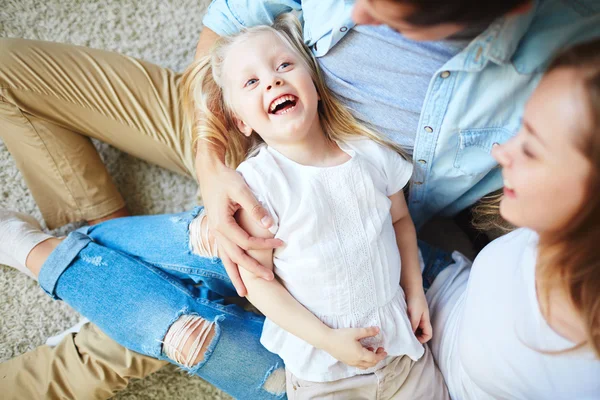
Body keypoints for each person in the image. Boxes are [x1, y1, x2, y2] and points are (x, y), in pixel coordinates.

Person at [0, 0, 598, 397]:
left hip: (331, 229)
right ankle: (95, 246)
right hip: (233, 120)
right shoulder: (253, 88)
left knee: (173, 321)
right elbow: (230, 27)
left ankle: (85, 271)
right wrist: (213, 165)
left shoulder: (565, 67)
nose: (350, 13)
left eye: (393, 14)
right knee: (9, 71)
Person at [187, 14, 448, 398]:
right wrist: (327, 339)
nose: (273, 80)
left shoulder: (370, 154)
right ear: (240, 121)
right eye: (252, 81)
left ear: (315, 85)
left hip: (403, 355)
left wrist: (414, 290)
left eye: (284, 65)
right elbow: (260, 283)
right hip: (326, 373)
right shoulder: (257, 185)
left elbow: (401, 221)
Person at [425, 39, 600, 399]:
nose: (500, 152)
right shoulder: (554, 231)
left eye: (532, 149)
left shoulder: (584, 379)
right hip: (437, 281)